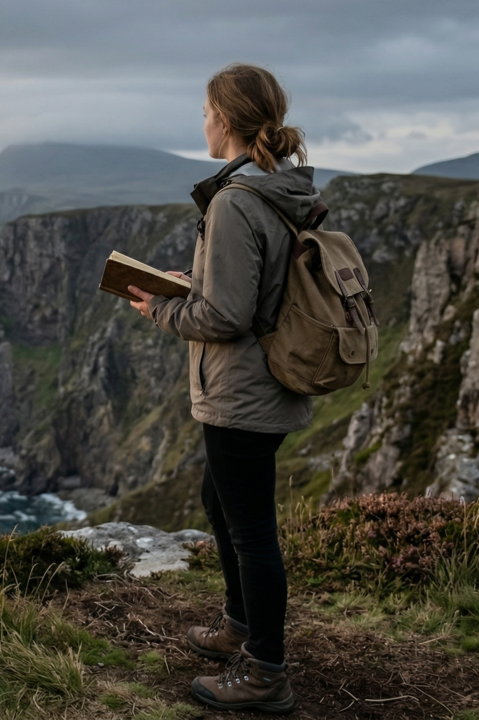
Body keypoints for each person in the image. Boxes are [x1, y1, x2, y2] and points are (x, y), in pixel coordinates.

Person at [126, 62, 319, 714]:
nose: (202, 123)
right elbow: (253, 288)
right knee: (220, 500)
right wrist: (196, 283)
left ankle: (265, 672)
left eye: (206, 112)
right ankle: (239, 624)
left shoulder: (236, 201)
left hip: (242, 391)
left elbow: (227, 317)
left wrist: (160, 307)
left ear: (227, 120)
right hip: (264, 383)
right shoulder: (275, 187)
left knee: (252, 531)